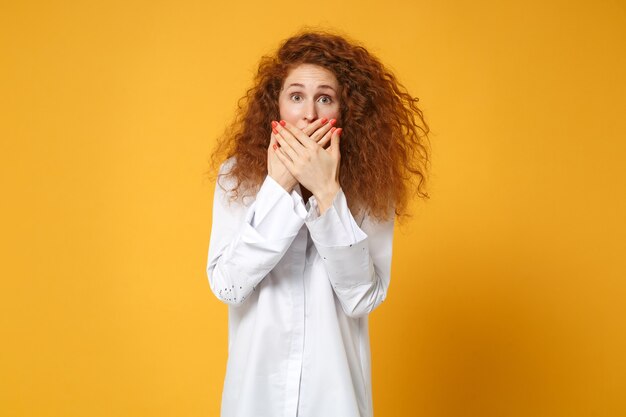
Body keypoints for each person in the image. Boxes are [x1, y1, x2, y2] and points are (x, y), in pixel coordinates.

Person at [206, 29, 430, 417]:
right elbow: (228, 285)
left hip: (335, 399)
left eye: (324, 98)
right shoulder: (236, 178)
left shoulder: (372, 187)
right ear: (276, 106)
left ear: (344, 111)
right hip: (256, 398)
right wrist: (278, 189)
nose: (309, 113)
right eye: (296, 96)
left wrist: (328, 195)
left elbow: (362, 297)